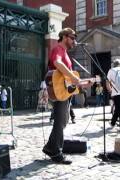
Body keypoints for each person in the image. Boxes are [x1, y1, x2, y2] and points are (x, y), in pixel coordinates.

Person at [42, 27, 80, 165]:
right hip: (58, 91)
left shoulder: (65, 52)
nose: (74, 41)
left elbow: (66, 77)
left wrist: (79, 81)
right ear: (64, 37)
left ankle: (51, 148)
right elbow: (57, 63)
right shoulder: (58, 49)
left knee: (63, 120)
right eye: (72, 38)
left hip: (64, 90)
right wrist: (72, 76)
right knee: (60, 120)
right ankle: (55, 151)